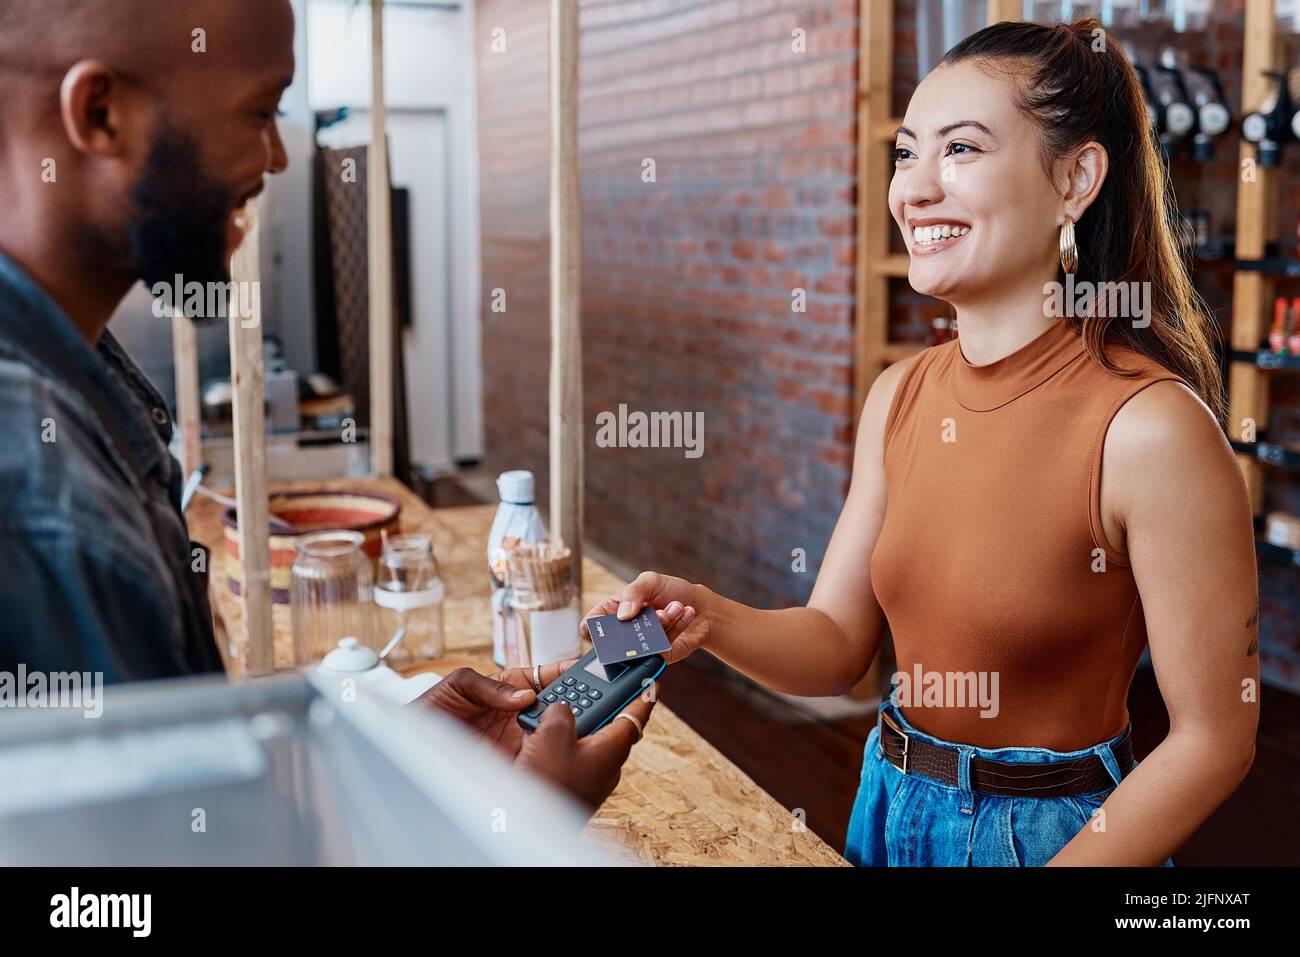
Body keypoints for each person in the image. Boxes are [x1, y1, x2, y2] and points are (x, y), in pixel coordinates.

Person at [583, 19, 1259, 866]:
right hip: (886, 798)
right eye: (906, 153)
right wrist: (705, 617)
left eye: (962, 150)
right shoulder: (899, 395)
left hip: (1051, 838)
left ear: (1077, 179)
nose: (914, 189)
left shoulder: (1152, 427)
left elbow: (1213, 736)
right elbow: (835, 643)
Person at [0, 0, 653, 813]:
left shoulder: (80, 397)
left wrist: (394, 759)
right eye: (261, 110)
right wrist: (520, 827)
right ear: (101, 114)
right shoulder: (42, 494)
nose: (276, 157)